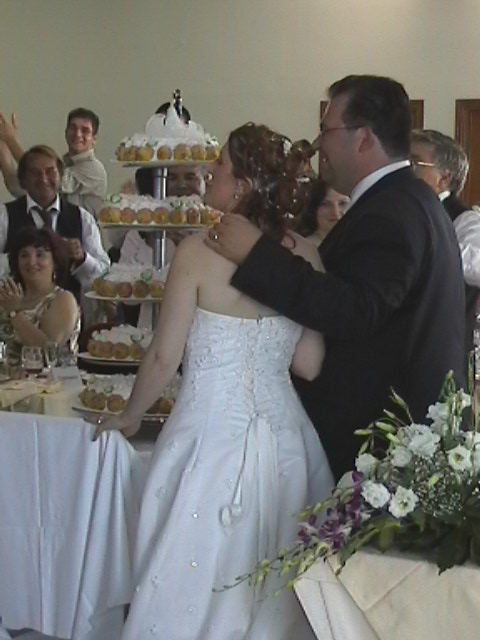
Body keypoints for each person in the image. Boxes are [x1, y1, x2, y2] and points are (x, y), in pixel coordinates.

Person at [95, 123, 334, 640]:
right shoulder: (307, 256)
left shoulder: (197, 254)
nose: (209, 171)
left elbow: (163, 356)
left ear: (243, 185)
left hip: (208, 441)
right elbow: (309, 363)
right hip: (286, 440)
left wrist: (130, 416)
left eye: (221, 165)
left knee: (191, 574)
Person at [206, 75, 465, 481]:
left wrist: (257, 255)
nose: (319, 144)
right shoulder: (409, 200)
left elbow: (356, 309)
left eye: (326, 130)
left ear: (363, 138)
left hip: (384, 443)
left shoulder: (391, 213)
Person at [0, 145, 110, 302]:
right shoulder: (5, 215)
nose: (43, 179)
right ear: (23, 180)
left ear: (60, 176)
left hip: (67, 317)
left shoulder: (82, 218)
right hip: (15, 316)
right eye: (35, 173)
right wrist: (19, 257)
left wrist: (82, 259)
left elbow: (104, 274)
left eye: (50, 172)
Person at [410, 128, 480, 367]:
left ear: (444, 179)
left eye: (413, 162)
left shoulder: (466, 221)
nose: (403, 171)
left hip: (443, 356)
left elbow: (476, 268)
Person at [0, 107, 107, 217]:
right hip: (53, 230)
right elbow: (18, 188)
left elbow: (53, 180)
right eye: (73, 128)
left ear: (94, 139)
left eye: (85, 130)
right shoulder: (63, 164)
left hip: (82, 232)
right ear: (66, 132)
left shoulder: (94, 169)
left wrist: (11, 141)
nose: (78, 134)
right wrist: (3, 144)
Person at [0, 226, 80, 365]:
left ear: (54, 261)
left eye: (40, 255)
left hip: (51, 383)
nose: (31, 262)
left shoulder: (63, 299)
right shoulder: (8, 295)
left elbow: (47, 353)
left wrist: (15, 313)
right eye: (24, 255)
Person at [296, 177, 350, 246]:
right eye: (325, 204)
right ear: (313, 209)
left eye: (342, 203)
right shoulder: (303, 248)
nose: (336, 212)